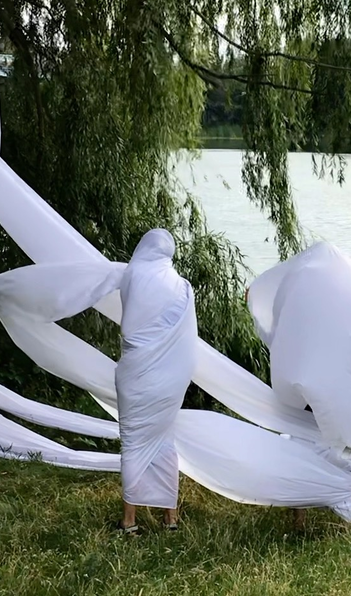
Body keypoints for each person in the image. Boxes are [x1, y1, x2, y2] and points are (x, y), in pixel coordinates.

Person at [245, 242, 351, 526]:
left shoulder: (297, 284)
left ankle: (301, 513)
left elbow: (278, 332)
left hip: (300, 378)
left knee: (301, 444)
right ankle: (338, 505)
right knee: (338, 442)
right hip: (336, 379)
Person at [114, 229, 197, 535]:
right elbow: (187, 340)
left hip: (135, 373)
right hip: (170, 380)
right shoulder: (182, 287)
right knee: (165, 441)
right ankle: (171, 518)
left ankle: (129, 521)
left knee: (133, 443)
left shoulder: (132, 275)